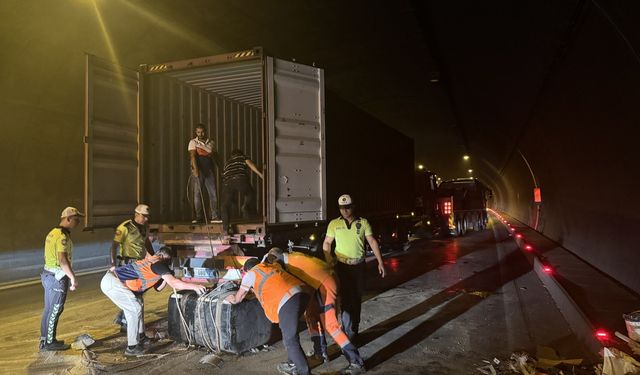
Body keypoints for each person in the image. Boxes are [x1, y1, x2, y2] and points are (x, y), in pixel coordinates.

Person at [266, 248, 366, 375]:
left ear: (275, 259)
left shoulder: (288, 264)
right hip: (320, 283)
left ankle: (356, 362)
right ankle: (320, 352)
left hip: (324, 284)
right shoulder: (292, 258)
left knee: (330, 325)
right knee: (311, 316)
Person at [101, 246, 207, 356]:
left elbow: (158, 288)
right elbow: (174, 283)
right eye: (169, 259)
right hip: (113, 282)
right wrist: (194, 286)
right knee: (134, 309)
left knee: (139, 303)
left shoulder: (156, 264)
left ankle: (141, 337)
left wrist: (166, 276)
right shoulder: (157, 263)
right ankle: (132, 348)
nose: (169, 262)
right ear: (162, 256)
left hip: (115, 282)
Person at [226, 258, 310, 375]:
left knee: (290, 339)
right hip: (302, 294)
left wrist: (231, 298)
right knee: (288, 333)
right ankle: (292, 363)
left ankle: (303, 372)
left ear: (247, 270)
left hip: (288, 300)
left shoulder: (251, 274)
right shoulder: (270, 266)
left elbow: (239, 298)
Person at [322, 194, 385, 340]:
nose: (345, 210)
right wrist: (329, 260)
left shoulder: (363, 223)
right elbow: (327, 243)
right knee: (345, 299)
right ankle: (347, 332)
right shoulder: (334, 224)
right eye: (342, 208)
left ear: (353, 207)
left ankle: (354, 330)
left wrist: (380, 262)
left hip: (359, 267)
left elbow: (372, 241)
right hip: (342, 267)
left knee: (356, 298)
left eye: (348, 207)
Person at [39, 206, 84, 351]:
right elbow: (63, 260)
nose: (78, 222)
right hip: (57, 277)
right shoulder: (62, 236)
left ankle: (45, 339)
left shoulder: (53, 232)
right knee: (55, 309)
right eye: (76, 219)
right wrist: (72, 278)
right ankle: (50, 343)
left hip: (48, 275)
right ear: (68, 219)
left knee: (48, 310)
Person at [110, 204, 155, 330]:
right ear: (136, 214)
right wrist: (113, 264)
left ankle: (125, 319)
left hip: (139, 264)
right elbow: (114, 246)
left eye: (148, 217)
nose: (146, 219)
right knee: (132, 294)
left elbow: (147, 243)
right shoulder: (125, 227)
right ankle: (126, 322)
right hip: (128, 264)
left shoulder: (145, 228)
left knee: (139, 293)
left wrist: (153, 257)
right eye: (144, 216)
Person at [220, 149, 263, 234]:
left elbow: (224, 175)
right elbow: (250, 164)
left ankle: (225, 229)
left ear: (232, 155)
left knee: (225, 206)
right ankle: (245, 206)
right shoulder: (243, 157)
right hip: (240, 179)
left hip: (227, 183)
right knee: (250, 193)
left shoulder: (228, 163)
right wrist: (260, 174)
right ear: (240, 154)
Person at [188, 124, 221, 224]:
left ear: (205, 131)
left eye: (202, 132)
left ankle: (214, 216)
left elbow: (215, 157)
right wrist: (195, 170)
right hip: (199, 170)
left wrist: (221, 169)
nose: (200, 134)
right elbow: (193, 156)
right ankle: (198, 217)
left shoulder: (211, 142)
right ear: (196, 132)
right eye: (198, 132)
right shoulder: (193, 142)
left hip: (209, 170)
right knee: (198, 194)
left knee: (213, 194)